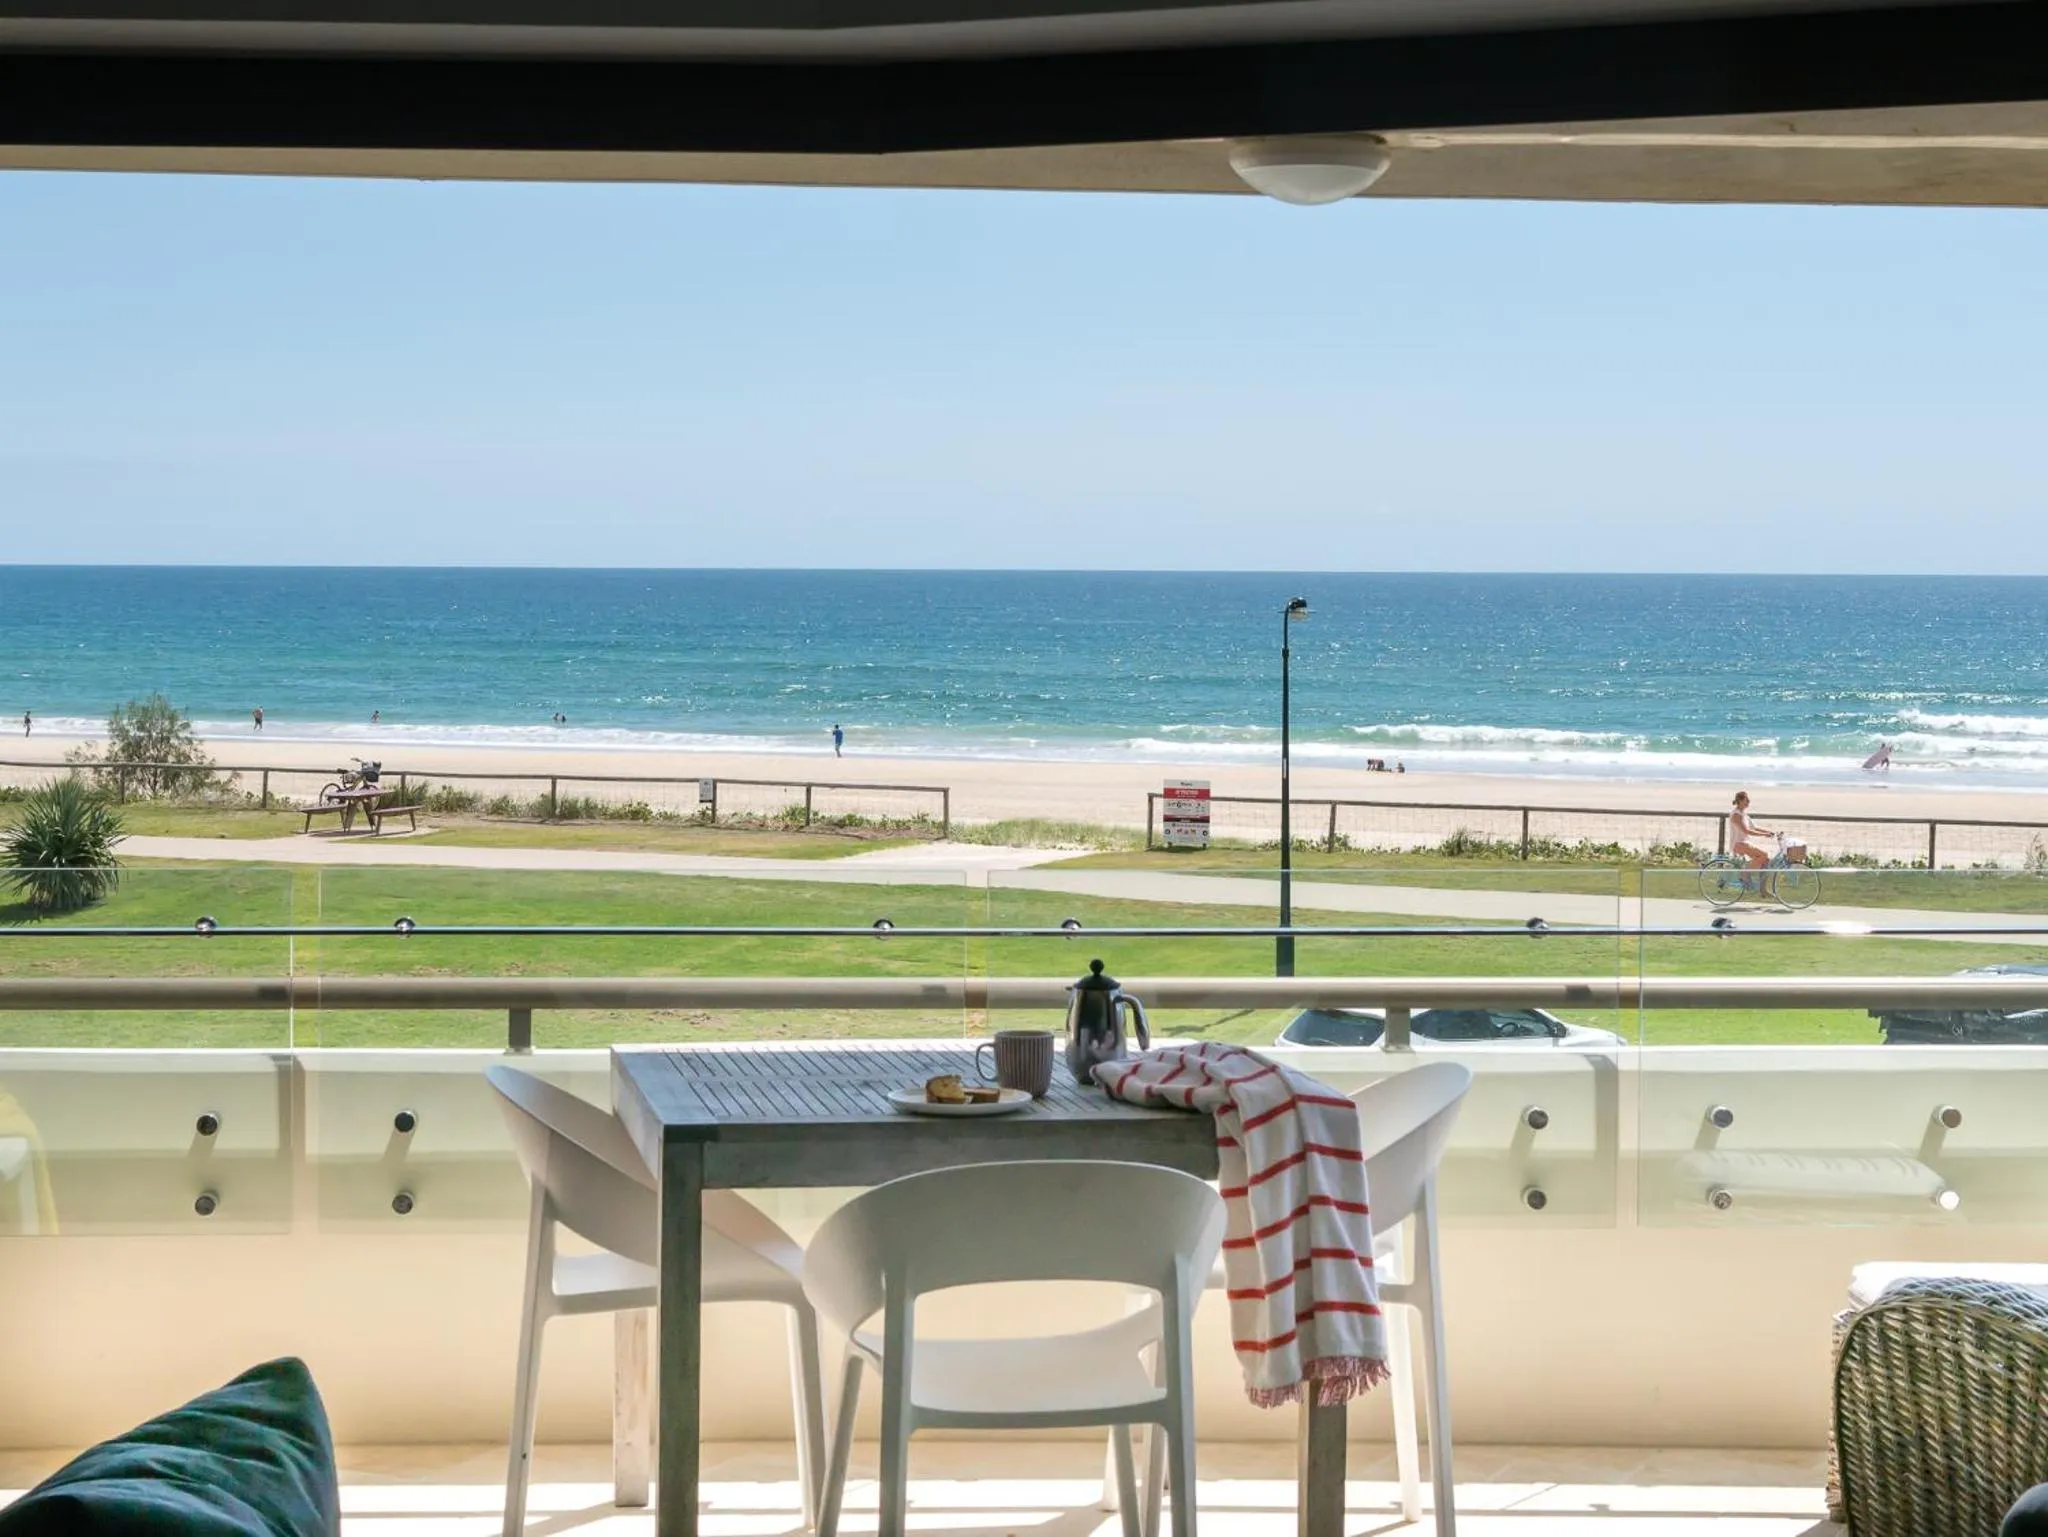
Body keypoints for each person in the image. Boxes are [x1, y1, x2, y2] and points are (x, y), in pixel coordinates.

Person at [1729, 790, 1778, 870]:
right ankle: (1744, 874)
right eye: (1747, 800)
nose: (1749, 801)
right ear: (1740, 801)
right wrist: (1764, 835)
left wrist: (1768, 832)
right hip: (1739, 844)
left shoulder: (1744, 814)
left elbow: (1755, 828)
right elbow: (1746, 831)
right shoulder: (1736, 814)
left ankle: (1760, 882)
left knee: (1765, 861)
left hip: (1744, 843)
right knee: (1764, 855)